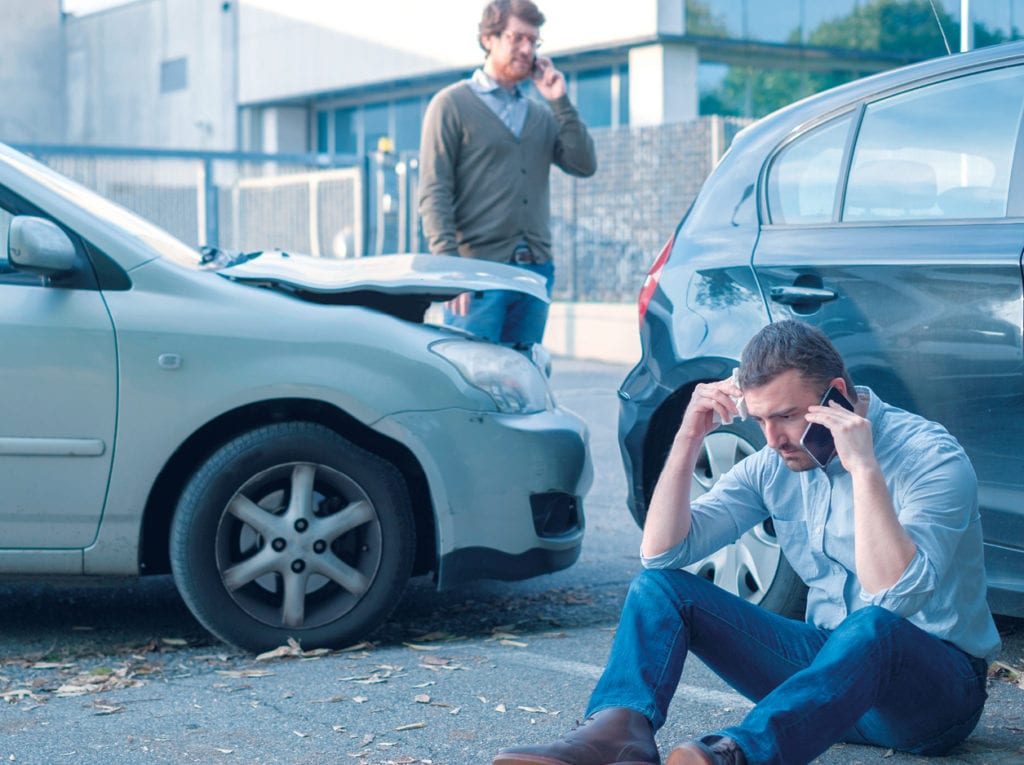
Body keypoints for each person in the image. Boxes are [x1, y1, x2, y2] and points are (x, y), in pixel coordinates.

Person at [494, 319, 1001, 765]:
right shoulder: (773, 465)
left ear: (838, 396)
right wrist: (689, 435)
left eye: (786, 416)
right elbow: (663, 553)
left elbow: (893, 595)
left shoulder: (930, 457)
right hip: (825, 685)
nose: (773, 437)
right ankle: (618, 735)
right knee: (661, 589)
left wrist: (863, 468)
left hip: (928, 698)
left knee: (874, 625)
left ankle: (738, 755)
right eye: (760, 420)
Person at [417, 0, 597, 348]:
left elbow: (583, 164)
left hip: (535, 272)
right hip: (476, 274)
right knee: (471, 383)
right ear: (489, 38)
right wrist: (450, 268)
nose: (527, 49)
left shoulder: (540, 114)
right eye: (517, 38)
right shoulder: (451, 105)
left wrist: (559, 101)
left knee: (521, 385)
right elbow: (433, 191)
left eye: (534, 41)